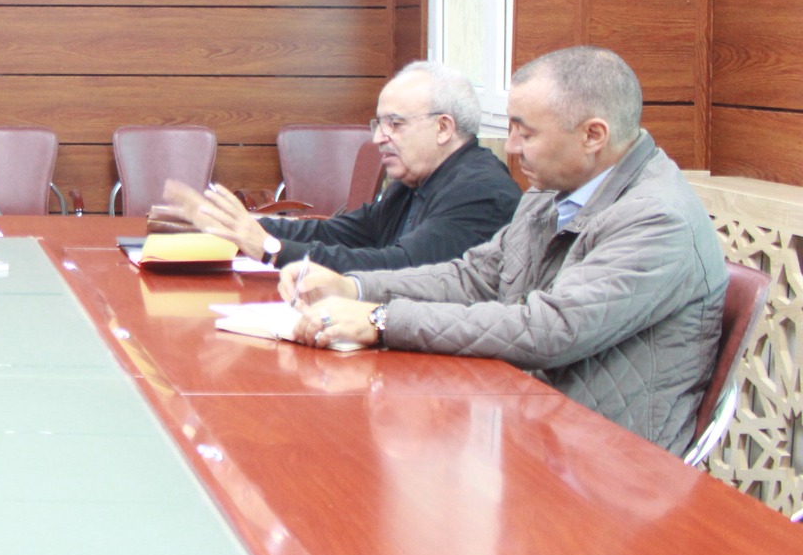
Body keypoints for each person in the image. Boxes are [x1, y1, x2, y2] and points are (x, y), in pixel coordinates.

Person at [285, 47, 726, 456]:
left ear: (593, 135)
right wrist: (354, 288)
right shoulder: (551, 193)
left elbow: (550, 329)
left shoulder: (657, 219)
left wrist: (382, 321)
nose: (511, 147)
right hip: (525, 424)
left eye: (525, 132)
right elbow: (474, 277)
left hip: (604, 465)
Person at [161, 60, 521, 271]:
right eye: (378, 124)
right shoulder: (414, 183)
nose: (379, 138)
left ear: (443, 128)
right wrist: (240, 226)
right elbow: (339, 233)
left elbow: (399, 268)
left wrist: (271, 249)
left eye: (395, 124)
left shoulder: (480, 191)